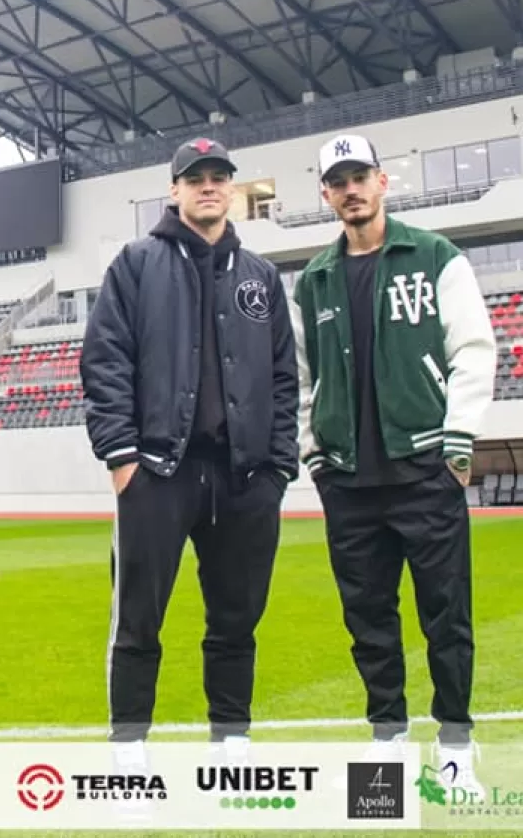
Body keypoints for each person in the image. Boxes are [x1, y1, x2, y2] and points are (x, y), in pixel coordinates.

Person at [80, 137, 299, 765]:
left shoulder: (259, 277)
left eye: (218, 176)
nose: (208, 185)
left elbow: (285, 377)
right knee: (138, 622)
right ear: (174, 190)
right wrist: (122, 459)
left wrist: (277, 466)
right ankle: (129, 753)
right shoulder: (135, 263)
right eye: (195, 177)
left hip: (245, 478)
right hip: (157, 474)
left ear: (231, 188)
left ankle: (231, 745)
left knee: (236, 621)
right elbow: (105, 360)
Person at [291, 133, 496, 797]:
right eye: (337, 181)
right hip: (348, 483)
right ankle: (388, 746)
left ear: (383, 181)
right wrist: (315, 449)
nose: (350, 189)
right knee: (368, 622)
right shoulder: (316, 279)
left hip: (424, 471)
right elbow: (298, 378)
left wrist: (458, 438)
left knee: (447, 617)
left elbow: (472, 347)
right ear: (325, 194)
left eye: (359, 176)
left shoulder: (435, 256)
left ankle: (456, 745)